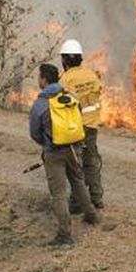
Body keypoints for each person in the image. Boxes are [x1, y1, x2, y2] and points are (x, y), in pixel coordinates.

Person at [28, 62, 98, 244]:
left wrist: (47, 144)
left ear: (43, 80)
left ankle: (65, 234)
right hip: (74, 148)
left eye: (39, 77)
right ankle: (92, 215)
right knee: (78, 182)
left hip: (53, 152)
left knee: (59, 193)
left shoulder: (40, 105)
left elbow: (34, 133)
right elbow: (79, 117)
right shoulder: (70, 96)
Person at [58, 39, 104, 213]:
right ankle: (97, 198)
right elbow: (98, 92)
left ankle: (77, 203)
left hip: (75, 128)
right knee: (92, 161)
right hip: (92, 127)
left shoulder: (65, 79)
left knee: (76, 166)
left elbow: (60, 105)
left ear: (65, 60)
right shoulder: (91, 75)